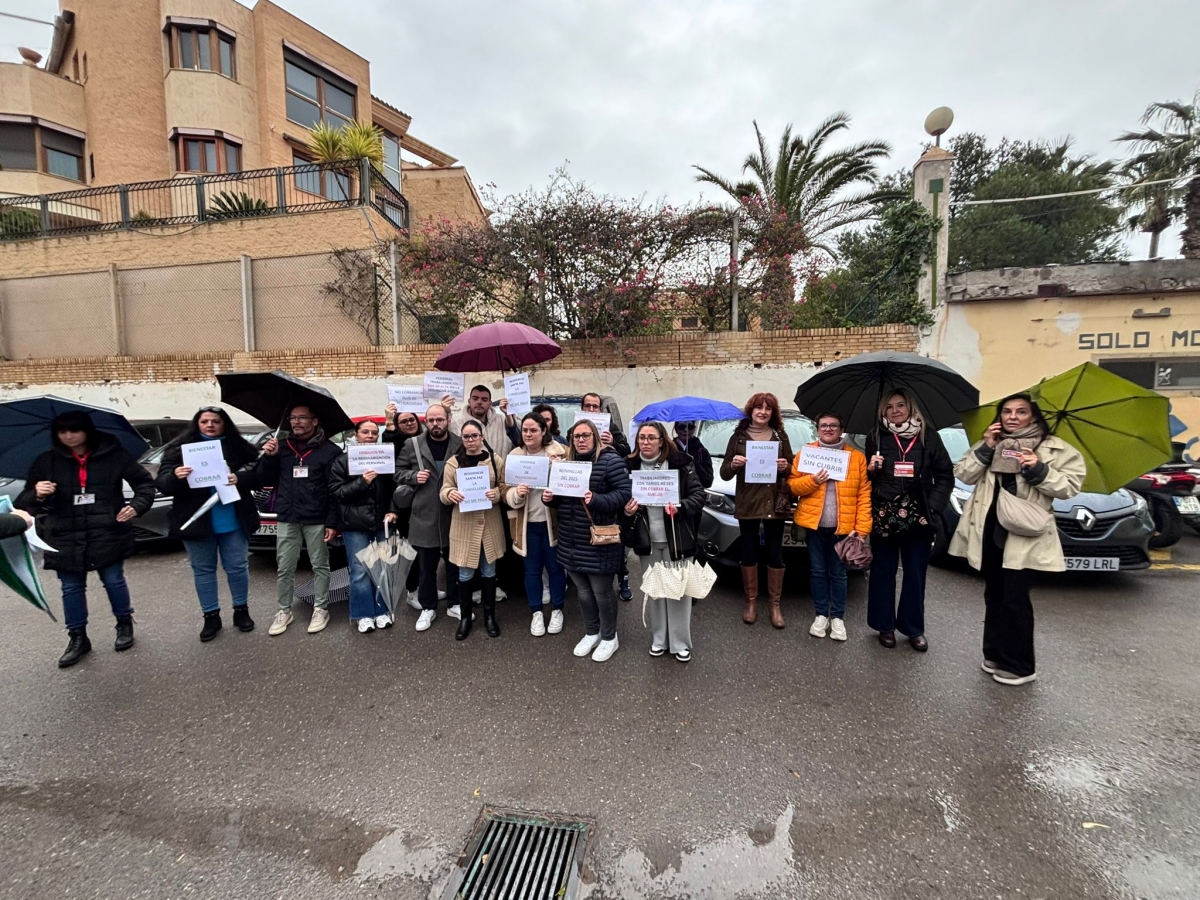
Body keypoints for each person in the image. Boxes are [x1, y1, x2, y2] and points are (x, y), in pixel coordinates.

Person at [950, 393, 1084, 686]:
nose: (1012, 417)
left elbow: (1069, 487)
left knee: (1015, 599)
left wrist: (1038, 468)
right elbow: (963, 473)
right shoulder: (992, 443)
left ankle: (1021, 665)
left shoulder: (1053, 448)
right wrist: (986, 447)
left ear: (1033, 416)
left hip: (1023, 532)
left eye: (1021, 412)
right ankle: (994, 653)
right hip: (989, 529)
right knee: (994, 594)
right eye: (1007, 411)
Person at [16, 411, 155, 668]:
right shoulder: (46, 461)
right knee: (71, 588)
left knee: (113, 580)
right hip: (64, 535)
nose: (69, 436)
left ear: (87, 431)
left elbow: (145, 484)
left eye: (75, 430)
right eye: (62, 431)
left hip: (108, 530)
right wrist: (36, 493)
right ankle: (78, 637)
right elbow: (23, 504)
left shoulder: (113, 456)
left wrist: (137, 506)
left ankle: (124, 624)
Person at [156, 407, 263, 642]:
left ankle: (241, 611)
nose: (210, 425)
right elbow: (163, 483)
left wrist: (240, 478)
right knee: (203, 570)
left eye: (216, 421)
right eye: (205, 421)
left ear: (224, 424)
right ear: (197, 424)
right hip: (196, 520)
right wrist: (176, 476)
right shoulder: (179, 449)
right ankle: (211, 616)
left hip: (233, 519)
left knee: (237, 567)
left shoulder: (240, 447)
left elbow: (259, 475)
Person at [864, 390, 955, 652]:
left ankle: (913, 629)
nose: (895, 410)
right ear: (883, 412)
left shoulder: (929, 436)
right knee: (883, 572)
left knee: (915, 573)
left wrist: (933, 509)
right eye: (889, 406)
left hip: (919, 516)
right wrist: (872, 470)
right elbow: (867, 480)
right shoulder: (876, 437)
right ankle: (884, 626)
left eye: (900, 405)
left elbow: (945, 477)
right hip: (885, 514)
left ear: (910, 408)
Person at [544, 419, 631, 662]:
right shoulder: (566, 463)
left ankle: (609, 636)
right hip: (571, 538)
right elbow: (562, 499)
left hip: (598, 539)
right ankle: (592, 632)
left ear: (595, 436)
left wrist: (596, 500)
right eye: (576, 437)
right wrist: (550, 498)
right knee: (582, 591)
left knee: (602, 592)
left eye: (586, 435)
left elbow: (624, 494)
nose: (581, 440)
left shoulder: (610, 460)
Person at [620, 422, 706, 662]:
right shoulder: (629, 466)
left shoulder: (681, 463)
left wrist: (681, 507)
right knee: (656, 592)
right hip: (648, 541)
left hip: (677, 540)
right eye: (641, 438)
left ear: (661, 440)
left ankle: (679, 643)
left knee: (678, 593)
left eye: (651, 438)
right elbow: (621, 501)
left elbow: (699, 496)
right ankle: (659, 639)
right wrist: (627, 511)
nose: (645, 442)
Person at [787, 413, 872, 642]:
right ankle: (821, 614)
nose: (828, 429)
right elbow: (793, 486)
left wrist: (861, 529)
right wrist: (813, 481)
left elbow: (864, 495)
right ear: (817, 429)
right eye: (824, 425)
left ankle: (838, 618)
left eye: (833, 425)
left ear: (841, 429)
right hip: (814, 525)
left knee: (839, 574)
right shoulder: (806, 453)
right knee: (817, 572)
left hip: (843, 528)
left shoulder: (856, 458)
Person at [258, 405, 341, 637]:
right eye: (293, 418)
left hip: (316, 518)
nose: (296, 422)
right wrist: (269, 457)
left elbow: (334, 490)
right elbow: (263, 478)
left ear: (315, 421)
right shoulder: (282, 448)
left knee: (320, 565)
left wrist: (333, 522)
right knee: (284, 566)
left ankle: (321, 608)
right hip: (288, 516)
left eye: (302, 418)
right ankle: (284, 610)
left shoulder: (330, 451)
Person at [719, 393, 794, 629]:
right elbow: (724, 473)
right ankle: (751, 602)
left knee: (775, 553)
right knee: (748, 552)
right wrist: (734, 464)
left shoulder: (780, 437)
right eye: (758, 408)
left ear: (773, 413)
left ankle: (774, 604)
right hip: (748, 501)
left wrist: (785, 467)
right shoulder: (738, 437)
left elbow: (791, 469)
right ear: (751, 411)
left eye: (768, 409)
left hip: (774, 502)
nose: (763, 412)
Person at [395, 404, 464, 632]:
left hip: (454, 513)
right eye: (431, 420)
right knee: (426, 566)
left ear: (448, 419)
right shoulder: (411, 444)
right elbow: (397, 473)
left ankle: (454, 603)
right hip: (423, 514)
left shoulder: (459, 442)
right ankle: (428, 607)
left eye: (440, 420)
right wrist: (414, 476)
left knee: (455, 563)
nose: (436, 424)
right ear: (426, 421)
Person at [330, 419, 398, 634]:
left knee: (381, 568)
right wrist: (363, 482)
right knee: (359, 571)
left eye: (374, 433)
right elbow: (338, 493)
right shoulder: (342, 461)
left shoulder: (385, 459)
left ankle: (381, 611)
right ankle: (363, 615)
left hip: (381, 522)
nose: (370, 436)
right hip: (354, 524)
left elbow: (393, 489)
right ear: (356, 435)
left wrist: (393, 510)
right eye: (365, 432)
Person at [439, 419, 506, 639]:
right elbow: (444, 490)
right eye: (466, 437)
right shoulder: (454, 463)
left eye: (474, 436)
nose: (470, 440)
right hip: (464, 525)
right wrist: (450, 494)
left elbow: (504, 488)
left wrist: (496, 494)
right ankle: (466, 618)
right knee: (465, 573)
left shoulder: (495, 460)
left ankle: (489, 617)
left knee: (489, 572)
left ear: (482, 437)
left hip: (489, 524)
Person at [505, 412, 568, 636]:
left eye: (533, 430)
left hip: (552, 523)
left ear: (544, 431)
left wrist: (557, 469)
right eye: (525, 430)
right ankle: (537, 612)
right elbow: (504, 491)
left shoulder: (559, 453)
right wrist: (517, 493)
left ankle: (558, 609)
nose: (529, 434)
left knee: (556, 569)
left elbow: (572, 484)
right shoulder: (515, 455)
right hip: (527, 523)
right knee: (531, 571)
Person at [581, 392, 633, 601]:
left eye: (596, 406)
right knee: (592, 540)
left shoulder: (611, 429)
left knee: (615, 538)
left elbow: (627, 453)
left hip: (609, 493)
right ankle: (593, 580)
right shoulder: (575, 430)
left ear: (601, 410)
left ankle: (623, 578)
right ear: (582, 408)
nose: (592, 410)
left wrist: (613, 443)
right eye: (588, 406)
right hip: (586, 495)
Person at [381, 409, 424, 603]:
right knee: (409, 549)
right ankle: (412, 590)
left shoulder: (425, 440)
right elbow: (390, 441)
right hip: (404, 505)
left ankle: (425, 586)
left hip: (425, 503)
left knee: (426, 549)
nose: (408, 423)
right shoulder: (399, 445)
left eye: (411, 420)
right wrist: (389, 422)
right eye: (403, 421)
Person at [445, 384, 514, 453]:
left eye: (484, 399)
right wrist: (446, 411)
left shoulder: (503, 420)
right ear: (469, 402)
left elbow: (518, 436)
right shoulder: (458, 424)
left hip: (500, 464)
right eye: (475, 399)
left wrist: (510, 413)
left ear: (490, 404)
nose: (479, 402)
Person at [673, 421, 714, 489]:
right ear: (676, 429)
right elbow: (657, 470)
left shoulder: (702, 452)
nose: (686, 430)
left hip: (695, 496)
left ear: (694, 429)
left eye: (690, 426)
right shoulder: (668, 450)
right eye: (681, 426)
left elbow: (708, 482)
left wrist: (693, 463)